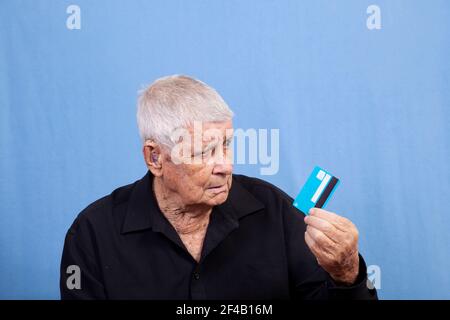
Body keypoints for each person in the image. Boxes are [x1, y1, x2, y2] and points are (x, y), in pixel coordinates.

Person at [60, 75, 378, 299]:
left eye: (226, 145)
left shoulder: (277, 213)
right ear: (155, 157)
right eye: (203, 152)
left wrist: (347, 273)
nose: (225, 165)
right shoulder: (93, 234)